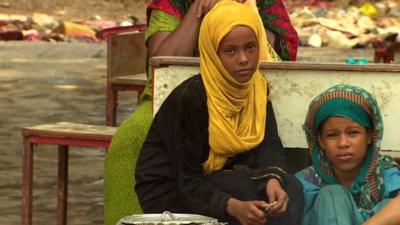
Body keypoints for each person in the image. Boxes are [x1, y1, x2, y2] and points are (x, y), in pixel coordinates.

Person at [103, 0, 297, 224]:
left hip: (208, 180)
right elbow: (187, 178)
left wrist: (272, 178)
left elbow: (269, 143)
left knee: (291, 189)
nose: (243, 59)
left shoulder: (256, 88)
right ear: (213, 53)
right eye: (231, 50)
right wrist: (232, 206)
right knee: (244, 192)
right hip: (173, 191)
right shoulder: (192, 97)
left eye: (250, 48)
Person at [295, 84, 400, 225]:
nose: (343, 143)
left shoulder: (384, 169)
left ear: (370, 136)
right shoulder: (306, 181)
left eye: (353, 133)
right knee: (332, 195)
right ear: (320, 140)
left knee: (390, 206)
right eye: (332, 135)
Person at [146, 0, 299, 61]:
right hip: (181, 99)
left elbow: (286, 55)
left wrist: (237, 10)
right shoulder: (170, 2)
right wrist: (198, 8)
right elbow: (161, 65)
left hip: (250, 94)